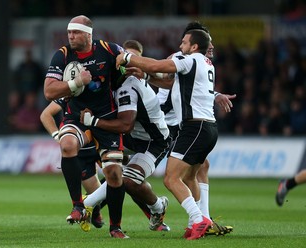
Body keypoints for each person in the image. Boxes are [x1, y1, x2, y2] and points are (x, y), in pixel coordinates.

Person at [116, 29, 217, 240]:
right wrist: (144, 76)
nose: (180, 46)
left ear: (194, 46)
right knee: (189, 176)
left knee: (171, 179)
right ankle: (194, 223)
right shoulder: (206, 64)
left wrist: (127, 57)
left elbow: (156, 66)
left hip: (193, 128)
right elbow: (171, 83)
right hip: (208, 128)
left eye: (184, 42)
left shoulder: (189, 59)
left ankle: (199, 219)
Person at [44, 15, 127, 238]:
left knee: (114, 174)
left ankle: (116, 226)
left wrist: (130, 65)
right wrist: (76, 83)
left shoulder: (108, 50)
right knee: (67, 144)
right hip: (76, 118)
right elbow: (49, 91)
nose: (70, 36)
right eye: (69, 32)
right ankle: (78, 205)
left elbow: (128, 64)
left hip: (106, 119)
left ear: (88, 34)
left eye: (76, 32)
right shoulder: (62, 55)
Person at [153, 21, 234, 236]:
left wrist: (216, 95)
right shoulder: (180, 58)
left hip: (190, 125)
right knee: (185, 174)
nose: (212, 45)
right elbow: (171, 83)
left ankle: (201, 219)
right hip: (169, 123)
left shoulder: (198, 61)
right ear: (195, 43)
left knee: (191, 172)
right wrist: (142, 69)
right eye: (207, 39)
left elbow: (195, 88)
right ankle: (200, 218)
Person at [81, 40, 171, 232]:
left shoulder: (128, 86)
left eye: (130, 60)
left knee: (128, 180)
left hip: (152, 141)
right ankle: (90, 206)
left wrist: (94, 121)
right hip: (131, 138)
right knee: (107, 164)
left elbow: (126, 124)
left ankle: (157, 207)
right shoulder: (113, 82)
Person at [40, 99, 105, 230]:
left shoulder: (105, 88)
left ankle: (153, 212)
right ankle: (92, 209)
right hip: (82, 151)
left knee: (124, 177)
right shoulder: (71, 90)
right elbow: (45, 115)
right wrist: (58, 137)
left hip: (104, 141)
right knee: (100, 196)